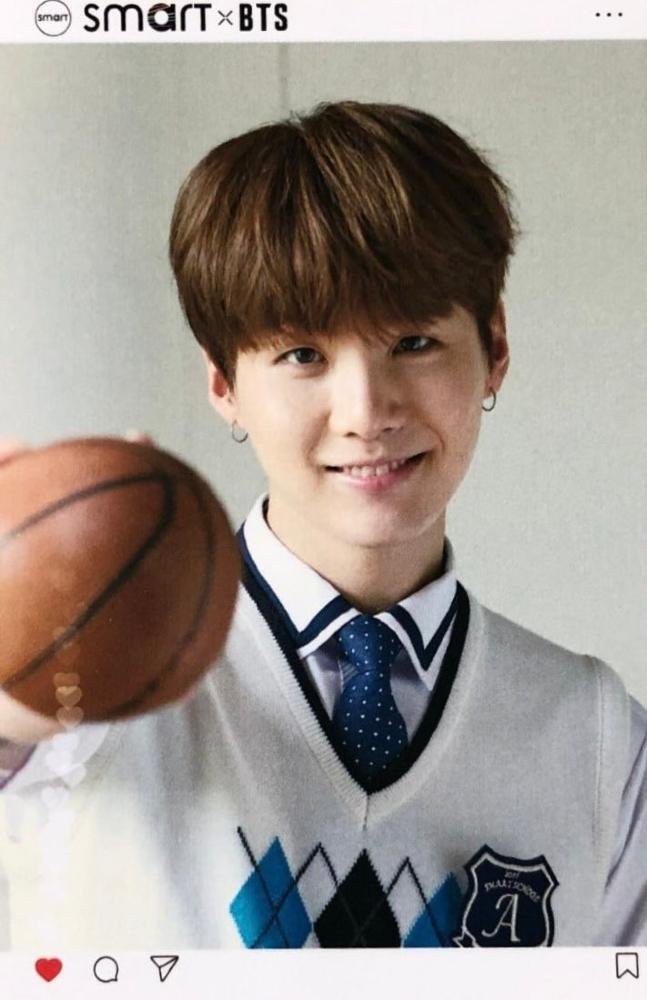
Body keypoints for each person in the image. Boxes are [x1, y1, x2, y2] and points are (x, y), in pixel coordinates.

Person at [1, 101, 646, 949]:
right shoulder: (95, 683)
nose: (366, 412)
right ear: (223, 383)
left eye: (413, 342)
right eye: (302, 354)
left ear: (493, 347)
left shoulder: (596, 735)